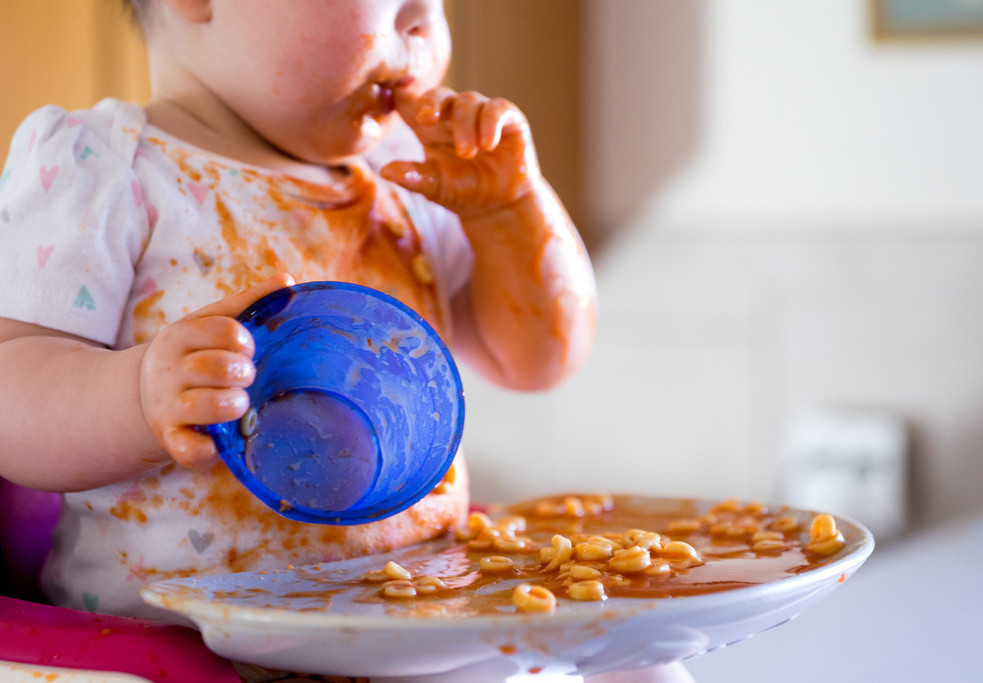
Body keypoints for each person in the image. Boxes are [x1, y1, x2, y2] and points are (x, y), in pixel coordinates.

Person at [0, 1, 691, 680]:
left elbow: (538, 358)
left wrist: (511, 210)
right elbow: (12, 393)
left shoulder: (409, 178)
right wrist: (140, 393)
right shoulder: (102, 167)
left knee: (642, 659)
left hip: (421, 618)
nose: (423, 20)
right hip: (192, 649)